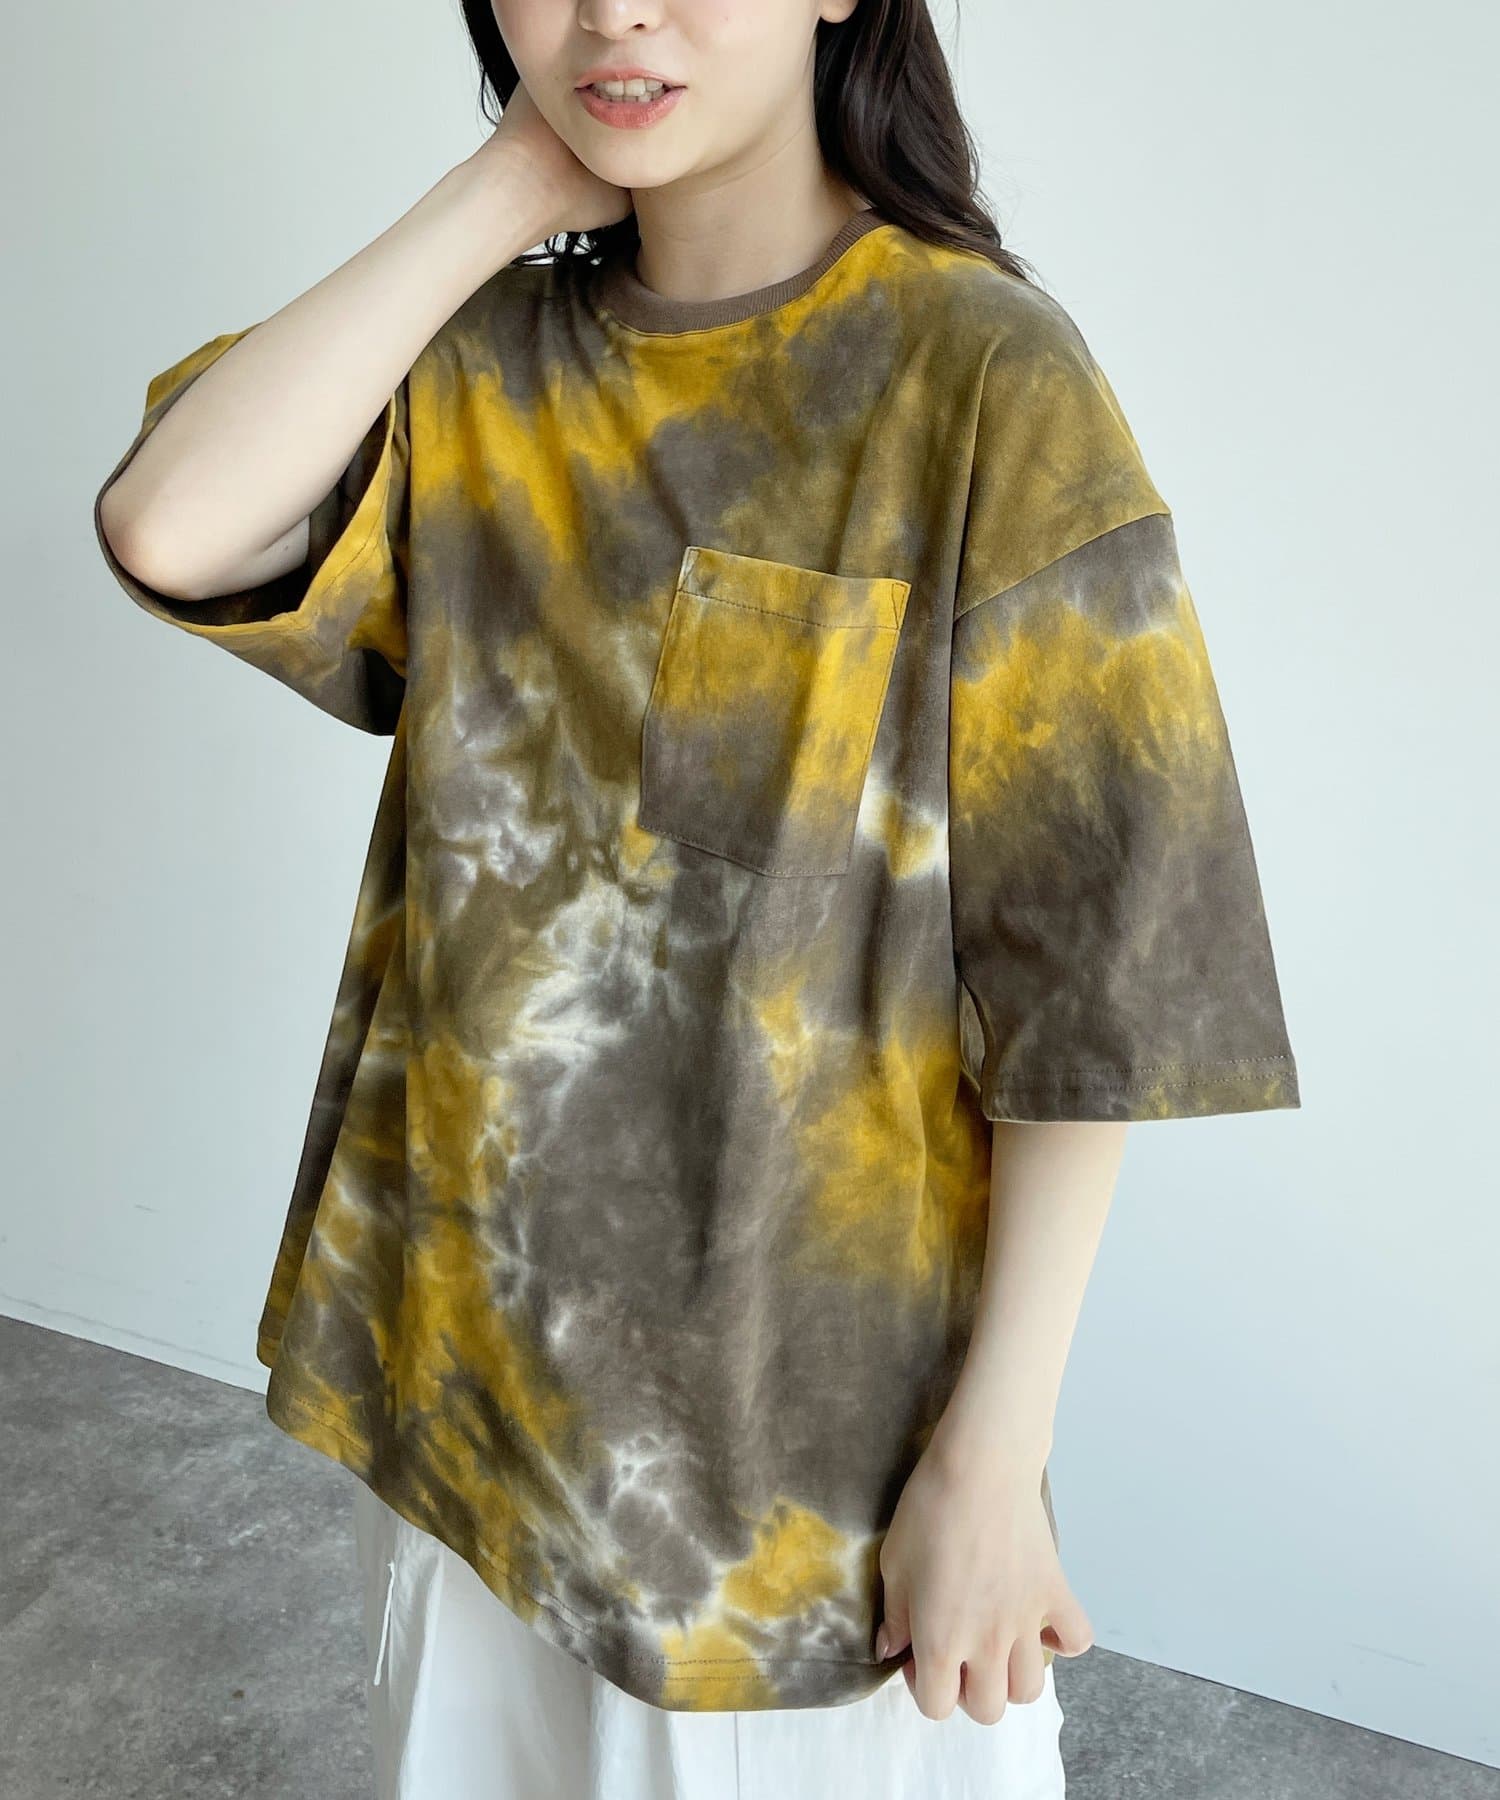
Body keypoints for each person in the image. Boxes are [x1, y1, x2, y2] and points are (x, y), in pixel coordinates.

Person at [92, 1, 1301, 1795]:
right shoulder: (480, 365)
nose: (612, 9)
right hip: (467, 1406)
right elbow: (171, 527)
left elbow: (1106, 976)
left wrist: (992, 1459)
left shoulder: (981, 378)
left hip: (795, 1492)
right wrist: (515, 177)